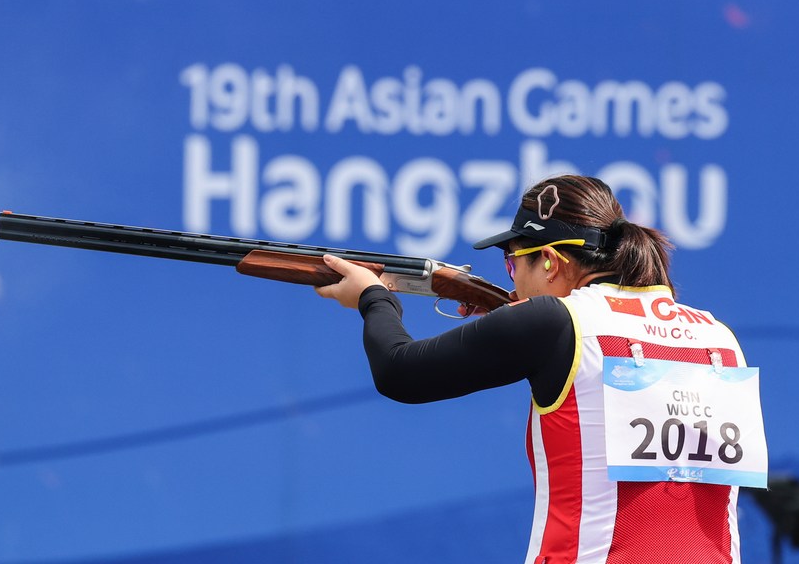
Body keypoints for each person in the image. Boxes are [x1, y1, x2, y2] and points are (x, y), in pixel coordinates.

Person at [315, 175, 754, 564]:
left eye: (512, 262)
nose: (512, 280)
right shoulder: (719, 337)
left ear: (548, 260)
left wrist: (374, 297)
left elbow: (399, 372)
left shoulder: (555, 322)